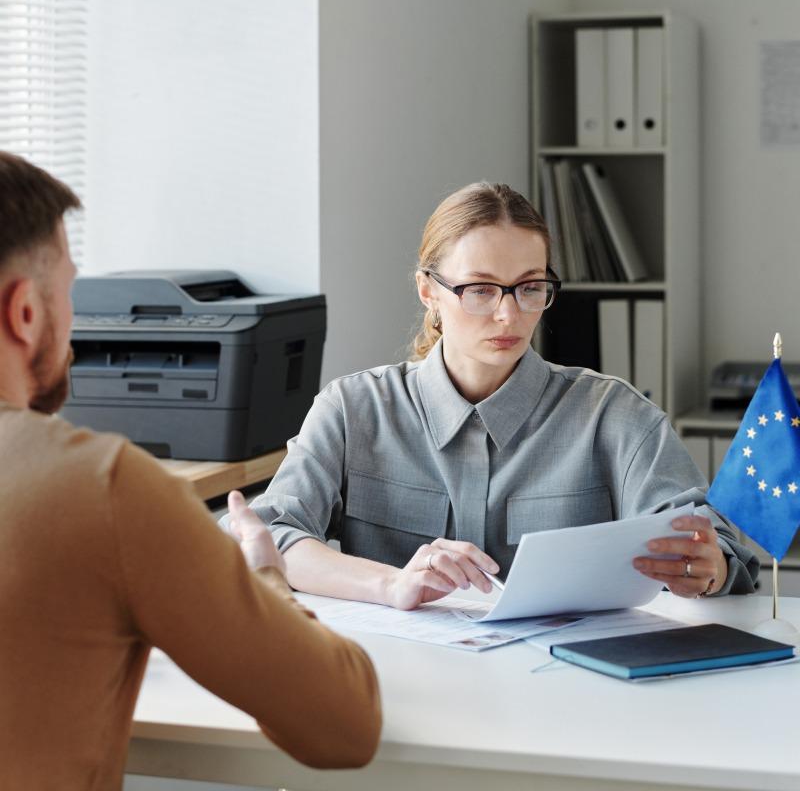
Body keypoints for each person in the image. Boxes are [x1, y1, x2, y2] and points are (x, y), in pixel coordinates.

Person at [0, 151, 381, 789]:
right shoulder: (103, 488)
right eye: (66, 291)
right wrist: (267, 578)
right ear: (26, 313)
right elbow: (344, 725)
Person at [226, 182, 758, 609]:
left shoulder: (614, 415)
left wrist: (707, 570)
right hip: (406, 686)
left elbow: (715, 544)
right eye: (480, 290)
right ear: (429, 290)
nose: (509, 315)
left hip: (571, 695)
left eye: (529, 288)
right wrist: (391, 584)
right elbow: (271, 535)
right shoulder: (353, 409)